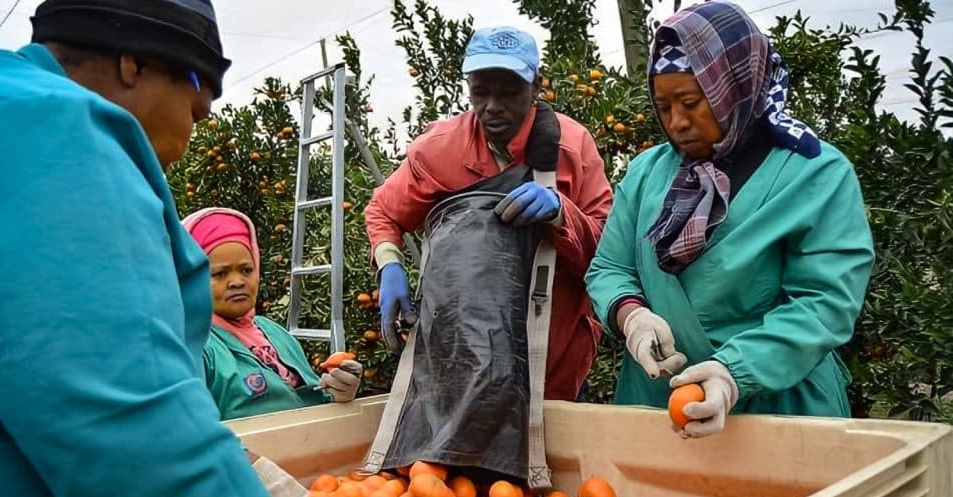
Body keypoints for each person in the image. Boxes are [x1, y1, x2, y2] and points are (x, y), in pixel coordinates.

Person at [0, 1, 307, 497]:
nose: (184, 142)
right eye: (195, 111)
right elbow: (123, 415)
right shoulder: (45, 128)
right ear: (134, 63)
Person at [585, 1, 875, 439]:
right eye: (663, 107)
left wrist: (732, 372)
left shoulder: (813, 174)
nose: (677, 123)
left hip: (777, 409)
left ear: (734, 86)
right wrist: (632, 317)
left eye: (691, 102)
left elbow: (823, 303)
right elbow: (610, 268)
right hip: (659, 401)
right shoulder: (648, 173)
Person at [364, 26, 614, 401]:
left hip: (553, 358)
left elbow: (608, 253)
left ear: (536, 87)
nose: (493, 106)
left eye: (509, 92)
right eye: (481, 92)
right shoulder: (439, 150)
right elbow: (384, 211)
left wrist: (563, 214)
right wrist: (390, 265)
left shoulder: (571, 147)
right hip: (462, 357)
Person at [182, 207, 362, 419]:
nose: (238, 282)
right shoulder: (195, 347)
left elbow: (310, 403)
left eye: (246, 270)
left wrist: (338, 390)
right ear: (191, 278)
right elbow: (191, 432)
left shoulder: (274, 333)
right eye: (220, 273)